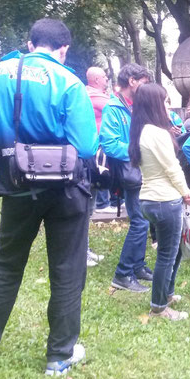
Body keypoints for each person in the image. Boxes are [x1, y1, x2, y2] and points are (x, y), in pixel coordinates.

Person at [0, 18, 97, 374]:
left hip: (17, 184)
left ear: (30, 41)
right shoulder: (70, 81)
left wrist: (13, 137)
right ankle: (59, 357)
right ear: (63, 48)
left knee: (5, 262)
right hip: (67, 190)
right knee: (67, 269)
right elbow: (85, 145)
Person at [128, 83, 190, 321]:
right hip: (164, 200)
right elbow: (172, 168)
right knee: (167, 254)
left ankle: (166, 294)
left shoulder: (142, 130)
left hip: (150, 199)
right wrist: (187, 193)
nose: (169, 106)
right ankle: (159, 307)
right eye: (166, 101)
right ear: (155, 104)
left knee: (174, 251)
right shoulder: (157, 133)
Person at [100, 63, 153, 293]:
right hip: (130, 172)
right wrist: (138, 150)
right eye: (143, 82)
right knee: (140, 221)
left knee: (145, 220)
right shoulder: (113, 107)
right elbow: (109, 143)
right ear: (132, 81)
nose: (145, 87)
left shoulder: (133, 106)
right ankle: (122, 274)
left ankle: (138, 265)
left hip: (141, 170)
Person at [84, 66, 109, 266]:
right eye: (105, 77)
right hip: (90, 158)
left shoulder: (98, 95)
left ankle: (84, 248)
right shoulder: (94, 97)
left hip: (95, 157)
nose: (107, 79)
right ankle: (80, 252)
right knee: (84, 206)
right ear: (97, 79)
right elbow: (115, 110)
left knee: (89, 206)